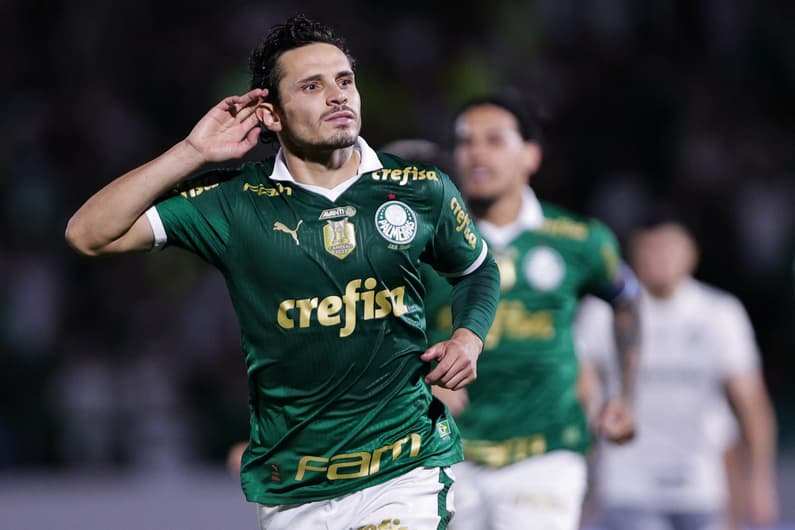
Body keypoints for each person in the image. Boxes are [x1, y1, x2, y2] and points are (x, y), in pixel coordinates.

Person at [65, 15, 501, 530]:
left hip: (405, 469)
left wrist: (468, 337)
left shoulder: (418, 188)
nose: (338, 96)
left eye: (344, 80)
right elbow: (89, 233)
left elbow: (477, 270)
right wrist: (193, 153)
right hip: (294, 487)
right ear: (269, 113)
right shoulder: (234, 204)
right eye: (312, 86)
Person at [426, 91, 642, 530]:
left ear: (531, 155)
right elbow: (380, 326)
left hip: (547, 451)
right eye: (466, 141)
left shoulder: (579, 240)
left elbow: (627, 300)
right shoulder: (422, 244)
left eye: (494, 140)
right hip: (446, 451)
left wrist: (625, 395)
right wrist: (417, 382)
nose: (476, 153)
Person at [575, 219, 779, 530]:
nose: (661, 257)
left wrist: (760, 480)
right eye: (650, 248)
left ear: (691, 253)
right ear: (633, 254)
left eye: (670, 247)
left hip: (702, 487)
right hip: (628, 487)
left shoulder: (720, 313)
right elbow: (581, 391)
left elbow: (751, 403)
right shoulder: (603, 311)